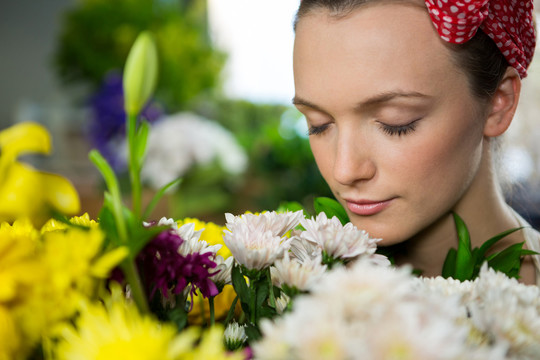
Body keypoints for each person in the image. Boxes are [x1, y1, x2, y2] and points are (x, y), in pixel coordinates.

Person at [292, 0, 540, 283]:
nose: (344, 171)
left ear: (499, 103)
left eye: (396, 123)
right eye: (318, 125)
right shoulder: (275, 287)